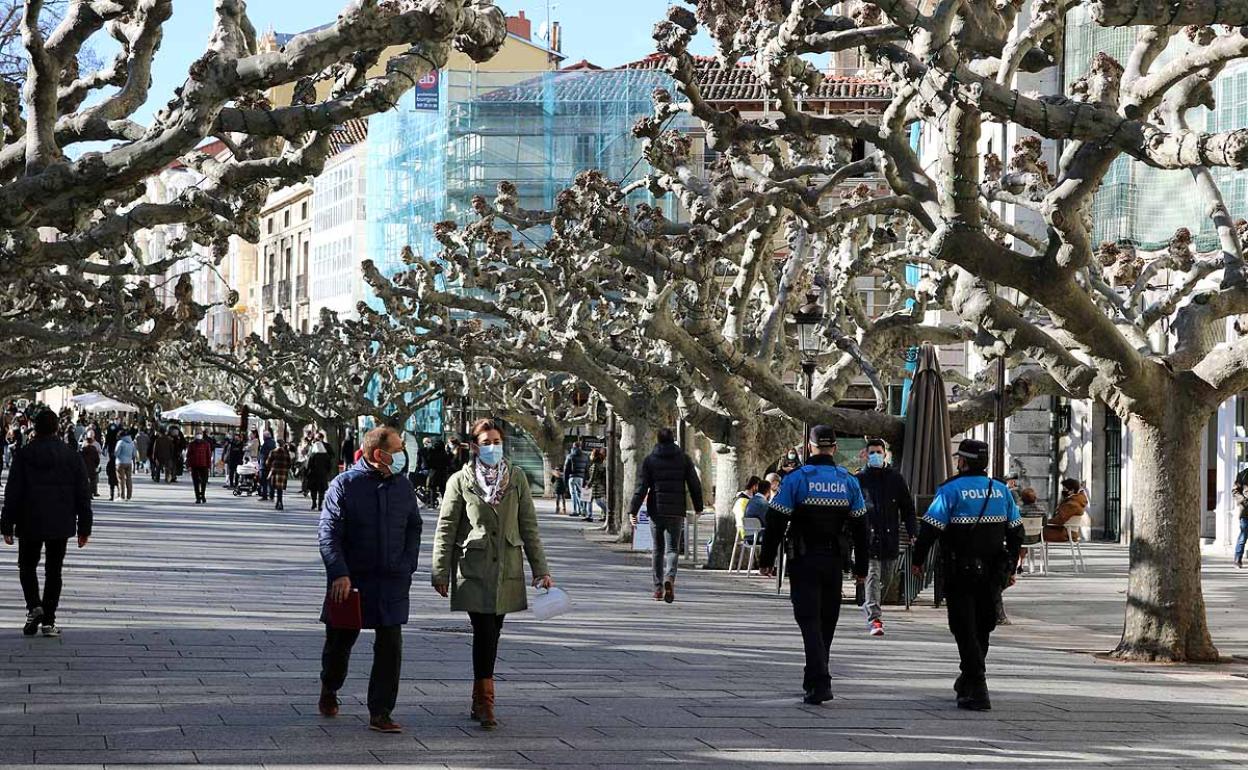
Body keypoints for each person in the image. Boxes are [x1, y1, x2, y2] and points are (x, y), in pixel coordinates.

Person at [431, 418, 551, 730]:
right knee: (484, 629)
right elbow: (446, 527)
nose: (493, 447)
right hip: (474, 568)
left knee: (493, 632)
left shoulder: (517, 478)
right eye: (486, 442)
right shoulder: (460, 480)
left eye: (497, 441)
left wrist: (541, 570)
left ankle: (478, 695)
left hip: (508, 567)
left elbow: (529, 526)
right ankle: (486, 700)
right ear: (474, 446)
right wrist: (439, 570)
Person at [318, 426, 423, 733]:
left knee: (391, 645)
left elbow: (414, 527)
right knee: (339, 644)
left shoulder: (403, 487)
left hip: (392, 581)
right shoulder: (344, 485)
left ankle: (381, 712)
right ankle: (330, 686)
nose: (404, 455)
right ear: (380, 454)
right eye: (399, 449)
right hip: (351, 583)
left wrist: (408, 563)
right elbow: (328, 534)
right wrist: (339, 573)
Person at [911, 438, 1024, 711]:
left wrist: (917, 560)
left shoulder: (951, 491)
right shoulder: (1000, 490)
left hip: (959, 570)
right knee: (983, 625)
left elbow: (930, 529)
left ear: (963, 461)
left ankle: (977, 683)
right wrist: (1010, 565)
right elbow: (1017, 532)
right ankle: (969, 679)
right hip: (993, 572)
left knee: (963, 627)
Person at [758, 426, 868, 705]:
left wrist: (766, 559)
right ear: (835, 448)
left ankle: (820, 680)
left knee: (808, 619)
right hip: (834, 561)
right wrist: (862, 568)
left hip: (803, 559)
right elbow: (861, 527)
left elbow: (775, 520)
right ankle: (816, 675)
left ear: (810, 447)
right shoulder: (848, 481)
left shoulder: (797, 479)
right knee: (827, 620)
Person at [1, 409, 93, 637]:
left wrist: (6, 524)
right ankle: (49, 620)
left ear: (35, 428)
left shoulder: (24, 455)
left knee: (27, 565)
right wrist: (85, 528)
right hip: (60, 521)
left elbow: (13, 492)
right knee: (54, 570)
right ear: (56, 429)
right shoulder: (72, 455)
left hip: (29, 519)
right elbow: (84, 493)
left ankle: (34, 606)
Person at [626, 427, 704, 604]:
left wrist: (633, 510)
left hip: (656, 510)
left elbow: (641, 487)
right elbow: (694, 484)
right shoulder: (684, 459)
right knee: (673, 549)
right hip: (676, 511)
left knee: (658, 549)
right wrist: (698, 506)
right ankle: (670, 577)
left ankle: (658, 588)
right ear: (673, 439)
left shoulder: (650, 460)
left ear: (658, 440)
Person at [855, 438, 917, 637]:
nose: (875, 455)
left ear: (885, 454)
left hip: (890, 538)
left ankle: (871, 603)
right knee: (873, 575)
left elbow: (907, 508)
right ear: (866, 454)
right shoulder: (860, 479)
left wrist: (913, 531)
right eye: (871, 452)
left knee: (887, 577)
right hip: (868, 537)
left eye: (878, 452)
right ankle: (874, 617)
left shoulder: (896, 479)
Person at [1044, 479, 1087, 543]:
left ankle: (1026, 552)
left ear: (1072, 490)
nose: (1063, 491)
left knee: (1034, 533)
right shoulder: (1076, 501)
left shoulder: (1071, 504)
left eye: (1065, 489)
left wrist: (1045, 522)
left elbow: (1060, 520)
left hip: (1065, 534)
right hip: (1068, 532)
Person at [306, 434, 334, 511]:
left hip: (313, 474)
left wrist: (307, 471)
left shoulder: (313, 455)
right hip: (322, 474)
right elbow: (329, 465)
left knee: (313, 490)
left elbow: (308, 465)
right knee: (321, 490)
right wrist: (327, 472)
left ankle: (314, 503)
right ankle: (320, 504)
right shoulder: (326, 456)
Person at [563, 441, 590, 518]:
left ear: (573, 446)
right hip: (581, 477)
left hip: (572, 477)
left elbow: (566, 469)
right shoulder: (585, 456)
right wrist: (586, 478)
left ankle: (575, 510)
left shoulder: (570, 456)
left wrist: (565, 481)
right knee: (580, 494)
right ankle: (583, 510)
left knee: (573, 494)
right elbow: (587, 468)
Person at [187, 431, 214, 504]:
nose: (199, 436)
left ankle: (203, 495)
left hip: (204, 465)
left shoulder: (206, 444)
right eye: (197, 434)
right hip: (194, 465)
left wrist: (209, 466)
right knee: (196, 482)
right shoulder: (192, 444)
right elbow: (188, 455)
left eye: (200, 434)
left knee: (204, 482)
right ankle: (198, 497)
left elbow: (208, 455)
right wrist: (189, 465)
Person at [266, 441, 292, 511]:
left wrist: (271, 467)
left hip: (275, 471)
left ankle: (277, 502)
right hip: (283, 472)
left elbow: (268, 462)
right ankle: (280, 502)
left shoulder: (273, 452)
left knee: (276, 487)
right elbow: (289, 464)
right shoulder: (286, 452)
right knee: (280, 488)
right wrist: (286, 468)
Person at [585, 447, 607, 523]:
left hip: (595, 485)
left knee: (598, 501)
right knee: (590, 500)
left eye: (591, 454)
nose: (590, 456)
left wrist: (588, 484)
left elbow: (593, 476)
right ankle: (589, 515)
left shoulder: (595, 465)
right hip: (597, 484)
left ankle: (607, 512)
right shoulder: (599, 464)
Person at [114, 431, 136, 502]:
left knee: (121, 480)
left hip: (120, 462)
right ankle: (129, 496)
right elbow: (134, 454)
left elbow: (116, 453)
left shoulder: (120, 442)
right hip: (129, 462)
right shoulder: (132, 442)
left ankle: (122, 496)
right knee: (129, 479)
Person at [1234, 466, 1248, 569]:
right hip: (1246, 511)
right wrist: (1243, 501)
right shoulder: (1243, 474)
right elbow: (1235, 491)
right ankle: (1237, 560)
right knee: (1243, 537)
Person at [257, 430, 276, 501]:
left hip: (264, 465)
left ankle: (264, 495)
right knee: (270, 481)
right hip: (271, 465)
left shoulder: (266, 444)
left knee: (264, 481)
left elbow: (263, 455)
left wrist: (260, 462)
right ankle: (271, 495)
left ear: (265, 436)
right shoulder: (273, 443)